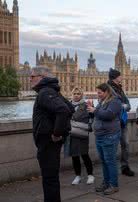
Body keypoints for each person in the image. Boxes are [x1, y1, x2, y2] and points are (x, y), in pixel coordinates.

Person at [31, 67, 74, 202]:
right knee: (52, 177)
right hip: (50, 142)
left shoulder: (45, 92)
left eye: (32, 76)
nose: (30, 79)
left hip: (48, 142)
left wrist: (56, 133)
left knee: (49, 179)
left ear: (41, 77)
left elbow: (63, 110)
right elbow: (70, 107)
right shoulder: (53, 91)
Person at [88, 83, 122, 195]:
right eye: (97, 92)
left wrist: (95, 110)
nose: (98, 95)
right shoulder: (101, 101)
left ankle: (114, 185)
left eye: (100, 93)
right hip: (100, 135)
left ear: (107, 92)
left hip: (109, 135)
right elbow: (98, 115)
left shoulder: (115, 101)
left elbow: (109, 115)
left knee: (110, 161)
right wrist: (91, 110)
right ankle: (106, 182)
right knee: (104, 161)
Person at [107, 68, 135, 177]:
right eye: (120, 76)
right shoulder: (107, 89)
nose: (122, 77)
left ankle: (125, 166)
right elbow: (113, 105)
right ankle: (111, 169)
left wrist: (123, 106)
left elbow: (128, 104)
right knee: (112, 147)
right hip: (113, 123)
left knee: (126, 144)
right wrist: (122, 106)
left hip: (122, 122)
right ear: (115, 77)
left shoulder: (120, 88)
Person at [65, 87, 94, 185]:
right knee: (75, 156)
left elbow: (92, 117)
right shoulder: (67, 105)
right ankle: (78, 176)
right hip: (71, 133)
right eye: (74, 93)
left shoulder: (85, 105)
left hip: (81, 132)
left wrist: (92, 108)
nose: (76, 95)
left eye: (78, 94)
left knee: (84, 155)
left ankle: (90, 175)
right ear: (72, 95)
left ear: (81, 95)